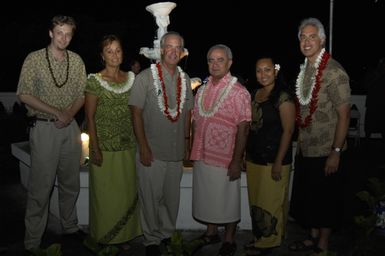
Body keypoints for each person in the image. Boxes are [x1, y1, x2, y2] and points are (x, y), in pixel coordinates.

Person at [16, 15, 87, 254]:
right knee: (41, 188)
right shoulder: (34, 59)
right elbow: (24, 94)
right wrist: (58, 113)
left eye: (68, 34)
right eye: (59, 33)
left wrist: (68, 115)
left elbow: (81, 95)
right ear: (50, 33)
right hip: (45, 128)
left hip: (70, 129)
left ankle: (70, 226)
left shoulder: (76, 61)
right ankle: (32, 241)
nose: (64, 38)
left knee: (71, 183)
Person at [288, 17, 351, 255]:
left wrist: (336, 152)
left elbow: (344, 115)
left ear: (322, 40)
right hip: (306, 146)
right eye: (303, 37)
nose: (307, 41)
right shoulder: (305, 70)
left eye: (312, 36)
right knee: (309, 197)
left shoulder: (334, 71)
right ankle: (311, 237)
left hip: (327, 149)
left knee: (325, 200)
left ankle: (323, 245)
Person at [128, 31, 193, 256]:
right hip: (152, 152)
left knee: (171, 199)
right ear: (162, 49)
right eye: (169, 47)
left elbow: (187, 115)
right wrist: (143, 146)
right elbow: (135, 113)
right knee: (150, 198)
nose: (173, 51)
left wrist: (187, 143)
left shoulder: (185, 80)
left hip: (176, 153)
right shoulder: (145, 77)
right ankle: (151, 241)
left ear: (182, 53)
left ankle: (166, 235)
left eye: (178, 48)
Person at [190, 44, 251, 256]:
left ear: (230, 63)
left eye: (220, 60)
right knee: (207, 197)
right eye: (210, 60)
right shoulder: (202, 90)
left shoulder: (239, 92)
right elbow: (196, 122)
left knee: (227, 199)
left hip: (226, 158)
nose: (214, 64)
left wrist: (237, 160)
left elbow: (244, 128)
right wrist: (194, 150)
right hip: (203, 154)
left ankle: (229, 239)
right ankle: (211, 232)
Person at [83, 35, 142, 253]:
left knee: (125, 195)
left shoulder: (131, 79)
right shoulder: (94, 80)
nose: (115, 55)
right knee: (105, 196)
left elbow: (137, 113)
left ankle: (123, 236)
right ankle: (104, 237)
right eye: (109, 51)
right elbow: (90, 118)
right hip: (104, 149)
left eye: (118, 50)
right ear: (102, 55)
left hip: (127, 146)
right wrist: (94, 149)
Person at [244, 57, 295, 255]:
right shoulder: (254, 94)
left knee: (271, 202)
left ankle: (268, 243)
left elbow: (288, 131)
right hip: (254, 157)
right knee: (257, 201)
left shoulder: (283, 97)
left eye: (267, 70)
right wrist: (244, 155)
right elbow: (250, 127)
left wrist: (278, 162)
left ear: (275, 72)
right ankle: (263, 237)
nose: (263, 74)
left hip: (275, 158)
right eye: (259, 71)